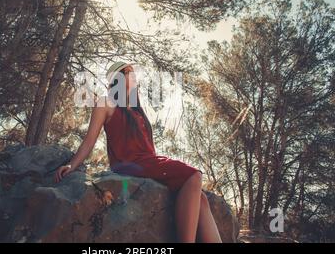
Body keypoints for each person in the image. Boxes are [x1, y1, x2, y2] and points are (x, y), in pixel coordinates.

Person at [54, 61, 222, 243]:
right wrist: (72, 164)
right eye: (127, 72)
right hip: (129, 164)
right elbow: (89, 142)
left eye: (133, 72)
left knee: (201, 198)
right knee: (194, 175)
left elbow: (150, 150)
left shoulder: (138, 111)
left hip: (148, 163)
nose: (133, 75)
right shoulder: (105, 103)